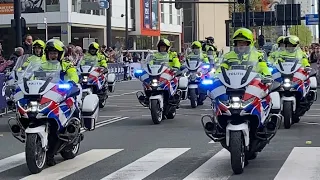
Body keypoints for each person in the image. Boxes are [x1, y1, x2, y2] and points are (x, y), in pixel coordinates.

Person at [40, 39, 79, 166]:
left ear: (60, 54)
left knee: (68, 115)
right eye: (50, 53)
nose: (53, 55)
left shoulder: (66, 64)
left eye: (55, 53)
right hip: (46, 96)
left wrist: (72, 82)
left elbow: (74, 75)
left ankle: (51, 154)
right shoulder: (42, 64)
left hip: (62, 95)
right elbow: (31, 76)